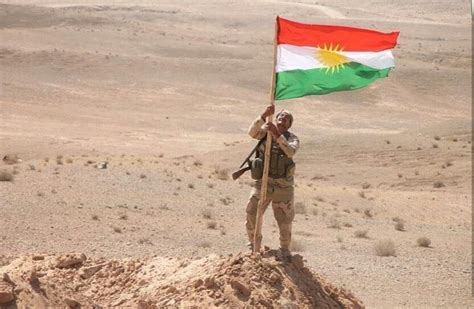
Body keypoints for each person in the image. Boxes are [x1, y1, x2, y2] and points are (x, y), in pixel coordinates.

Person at [245, 104, 300, 258]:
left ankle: (284, 250)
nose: (282, 119)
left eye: (286, 118)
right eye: (280, 116)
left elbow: (290, 151)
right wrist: (264, 114)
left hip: (283, 187)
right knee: (251, 212)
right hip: (263, 183)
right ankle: (253, 245)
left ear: (289, 124)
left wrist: (277, 135)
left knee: (284, 221)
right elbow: (252, 132)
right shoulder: (265, 133)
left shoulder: (292, 139)